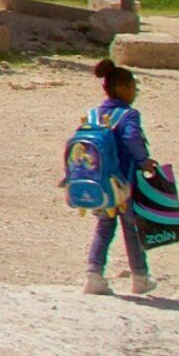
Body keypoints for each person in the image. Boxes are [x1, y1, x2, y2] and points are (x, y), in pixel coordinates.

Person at [62, 60, 154, 294]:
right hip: (124, 183)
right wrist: (144, 161)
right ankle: (140, 277)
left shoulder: (94, 115)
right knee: (132, 229)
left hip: (100, 183)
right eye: (133, 87)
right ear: (122, 88)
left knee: (104, 227)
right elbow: (131, 139)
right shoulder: (128, 115)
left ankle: (93, 275)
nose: (135, 92)